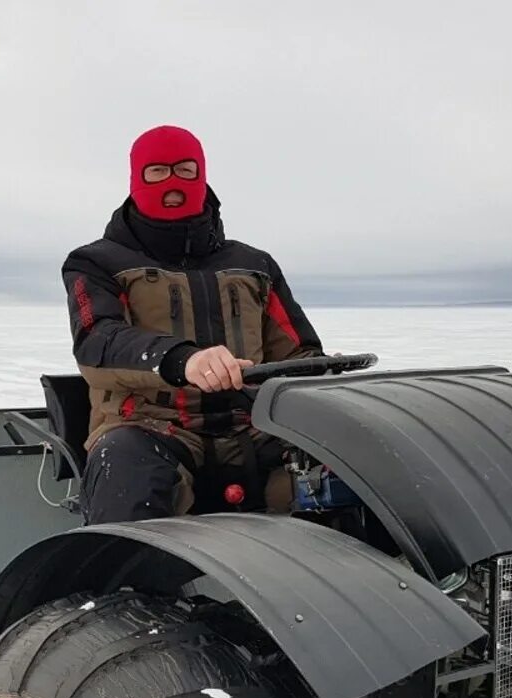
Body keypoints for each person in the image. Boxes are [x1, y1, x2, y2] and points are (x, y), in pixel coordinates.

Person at [62, 125, 323, 523]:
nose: (172, 183)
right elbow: (97, 341)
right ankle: (121, 584)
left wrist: (321, 371)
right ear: (137, 179)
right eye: (157, 172)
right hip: (148, 428)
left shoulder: (256, 266)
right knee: (126, 467)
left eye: (185, 170)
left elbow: (298, 350)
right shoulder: (96, 263)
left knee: (347, 467)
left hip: (252, 429)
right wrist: (182, 361)